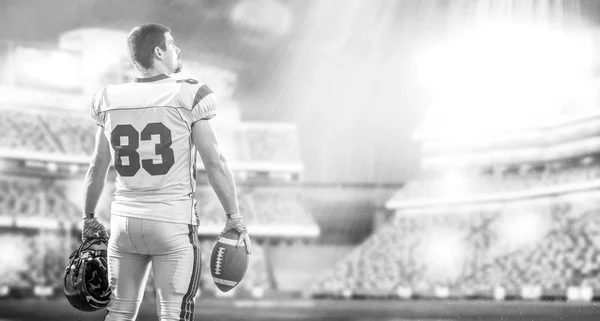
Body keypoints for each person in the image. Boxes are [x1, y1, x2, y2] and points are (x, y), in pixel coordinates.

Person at [81, 23, 252, 321]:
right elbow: (215, 163)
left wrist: (88, 217)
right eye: (172, 44)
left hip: (124, 225)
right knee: (174, 315)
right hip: (171, 223)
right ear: (159, 52)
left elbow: (97, 166)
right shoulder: (189, 93)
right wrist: (234, 217)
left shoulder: (108, 98)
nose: (177, 50)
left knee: (119, 313)